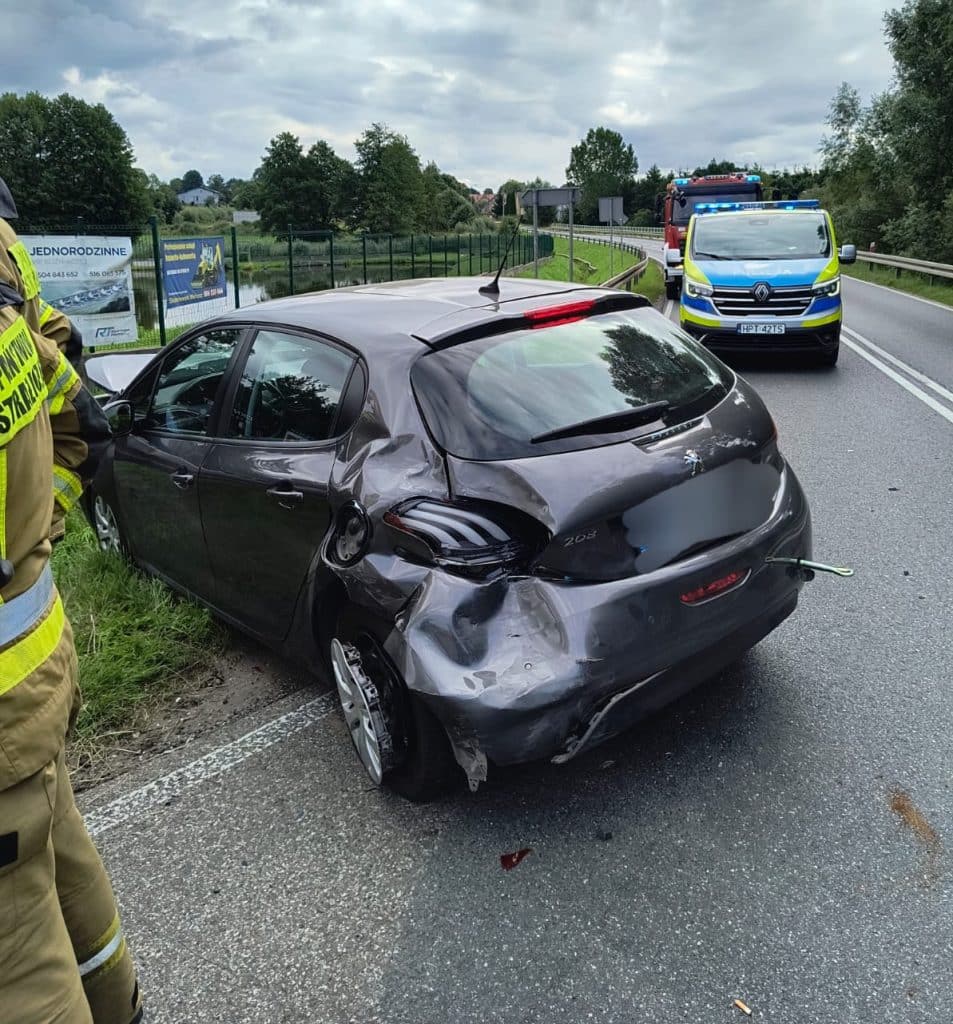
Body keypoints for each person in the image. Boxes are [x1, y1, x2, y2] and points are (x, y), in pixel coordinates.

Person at [0, 195, 143, 1022]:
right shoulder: (3, 254)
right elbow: (73, 400)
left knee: (17, 972)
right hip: (38, 677)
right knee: (69, 880)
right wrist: (41, 525)